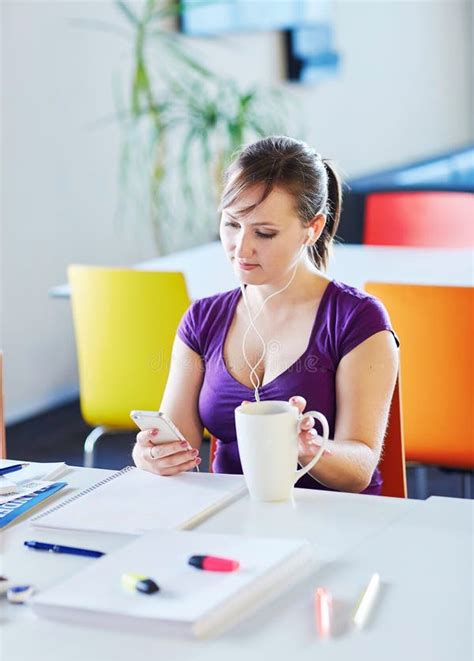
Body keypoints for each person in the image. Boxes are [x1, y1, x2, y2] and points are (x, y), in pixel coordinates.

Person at [132, 136, 399, 494]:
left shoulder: (357, 320)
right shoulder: (203, 319)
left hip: (334, 522)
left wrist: (311, 449)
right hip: (235, 521)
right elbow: (177, 440)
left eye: (265, 232)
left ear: (313, 228)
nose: (241, 248)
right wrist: (152, 453)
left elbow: (360, 468)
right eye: (231, 225)